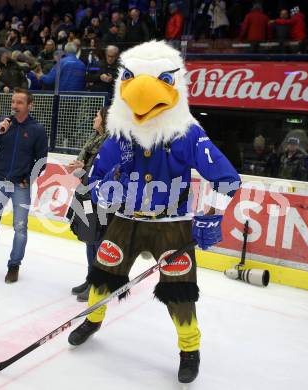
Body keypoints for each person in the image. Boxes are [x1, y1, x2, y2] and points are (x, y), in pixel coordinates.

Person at [67, 40, 241, 384]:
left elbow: (227, 178)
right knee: (102, 276)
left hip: (171, 226)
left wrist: (214, 213)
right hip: (127, 220)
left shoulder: (188, 133)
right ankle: (93, 319)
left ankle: (190, 349)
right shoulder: (120, 134)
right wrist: (99, 192)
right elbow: (96, 175)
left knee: (180, 292)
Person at [0, 88, 48, 283]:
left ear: (29, 106)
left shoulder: (37, 129)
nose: (15, 106)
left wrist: (29, 179)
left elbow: (41, 160)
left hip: (20, 186)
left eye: (20, 102)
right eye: (13, 102)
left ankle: (14, 265)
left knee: (20, 227)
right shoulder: (2, 123)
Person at [66, 106, 110, 301]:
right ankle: (90, 278)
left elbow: (103, 171)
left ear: (105, 119)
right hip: (86, 193)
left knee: (98, 239)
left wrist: (84, 168)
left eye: (97, 115)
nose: (94, 118)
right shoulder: (93, 139)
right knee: (89, 236)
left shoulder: (110, 143)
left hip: (101, 198)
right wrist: (79, 167)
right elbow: (86, 168)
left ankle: (98, 283)